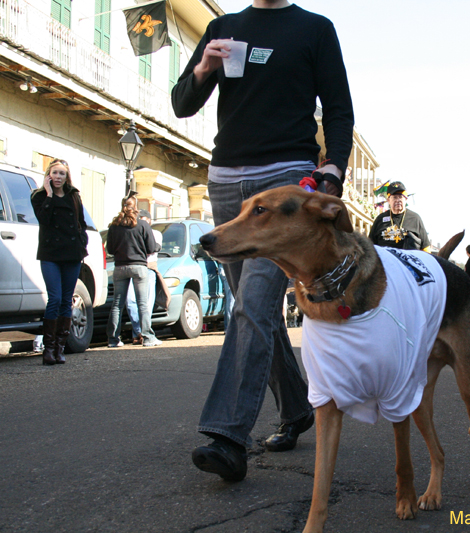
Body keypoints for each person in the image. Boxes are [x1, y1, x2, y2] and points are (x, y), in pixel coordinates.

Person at [171, 0, 353, 481]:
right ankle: (296, 407)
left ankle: (228, 435)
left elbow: (338, 107)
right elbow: (182, 103)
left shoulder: (314, 29)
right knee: (254, 310)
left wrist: (333, 165)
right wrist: (205, 67)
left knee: (252, 304)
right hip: (226, 182)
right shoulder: (222, 28)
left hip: (287, 178)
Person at [30, 159, 88, 365]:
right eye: (54, 173)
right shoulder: (38, 196)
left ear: (67, 177)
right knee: (54, 298)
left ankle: (60, 348)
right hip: (50, 254)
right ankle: (49, 348)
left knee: (66, 300)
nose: (57, 177)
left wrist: (83, 242)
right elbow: (43, 219)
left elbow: (81, 222)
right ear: (48, 174)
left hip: (71, 254)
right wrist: (48, 194)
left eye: (61, 174)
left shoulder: (74, 196)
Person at [106, 195, 161, 348]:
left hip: (119, 267)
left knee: (117, 304)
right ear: (135, 207)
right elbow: (151, 248)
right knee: (142, 303)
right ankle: (148, 337)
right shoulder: (142, 224)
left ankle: (113, 339)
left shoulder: (114, 226)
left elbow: (110, 249)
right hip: (139, 267)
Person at [125, 210, 162, 345]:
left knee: (146, 304)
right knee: (130, 302)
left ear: (149, 221)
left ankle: (144, 334)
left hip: (149, 268)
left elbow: (153, 248)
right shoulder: (132, 232)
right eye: (139, 219)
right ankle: (138, 331)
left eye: (144, 220)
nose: (142, 222)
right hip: (133, 267)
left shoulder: (156, 233)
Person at [369, 181, 431, 251]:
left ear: (406, 199)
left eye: (401, 197)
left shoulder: (415, 218)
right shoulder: (380, 219)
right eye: (394, 197)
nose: (398, 200)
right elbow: (370, 246)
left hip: (408, 260)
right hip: (385, 260)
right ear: (388, 200)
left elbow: (426, 248)